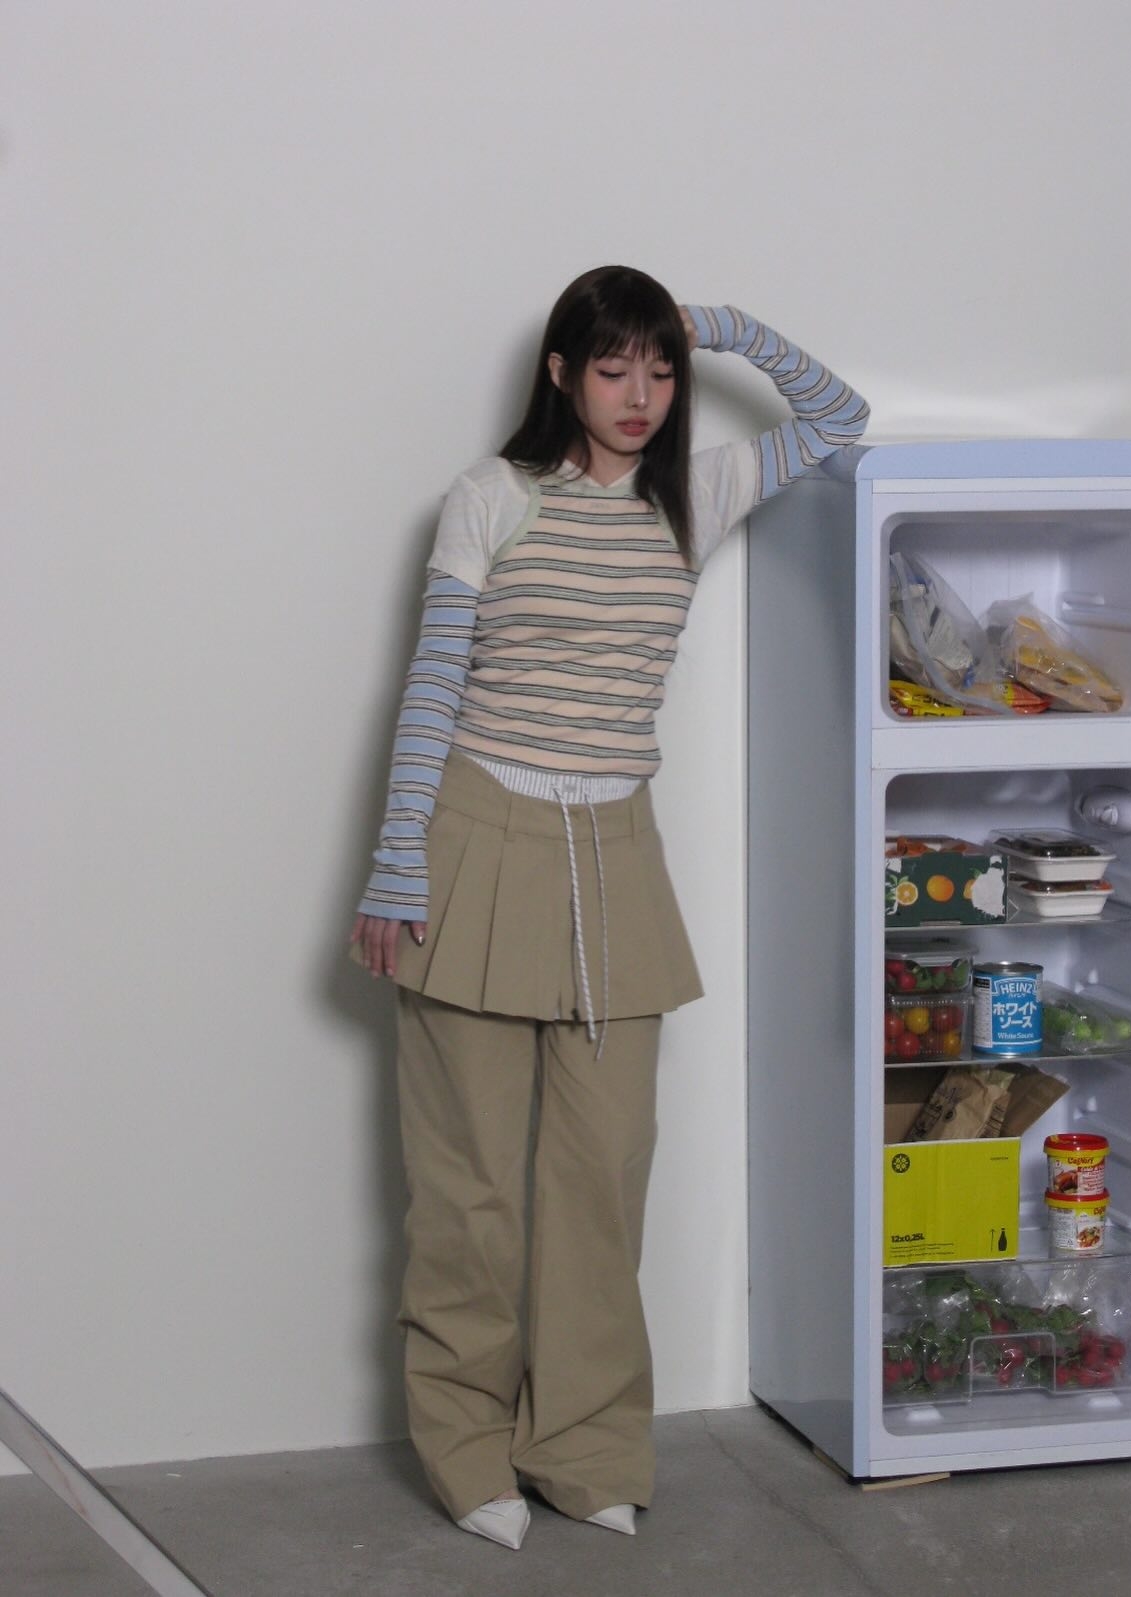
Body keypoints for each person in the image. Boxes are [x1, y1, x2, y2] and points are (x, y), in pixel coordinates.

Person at [350, 266, 868, 1550]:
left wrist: (721, 325)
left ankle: (583, 1449)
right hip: (476, 837)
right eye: (612, 367)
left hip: (616, 853)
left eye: (661, 369)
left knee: (604, 1173)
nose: (640, 396)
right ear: (561, 374)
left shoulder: (699, 492)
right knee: (470, 1187)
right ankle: (465, 1446)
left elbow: (840, 417)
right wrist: (397, 867)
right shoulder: (493, 496)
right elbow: (432, 685)